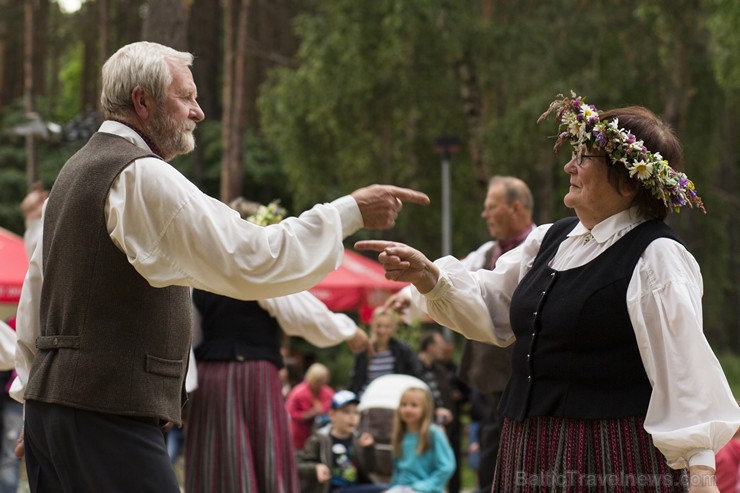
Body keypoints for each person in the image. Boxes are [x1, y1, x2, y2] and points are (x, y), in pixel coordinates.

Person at [10, 40, 428, 493]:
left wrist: (33, 402)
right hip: (106, 413)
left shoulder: (73, 174)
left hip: (58, 412)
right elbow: (252, 257)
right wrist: (350, 212)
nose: (198, 111)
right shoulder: (141, 175)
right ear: (142, 101)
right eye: (186, 96)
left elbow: (37, 303)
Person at [358, 93, 740, 492]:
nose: (569, 165)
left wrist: (700, 471)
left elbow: (683, 369)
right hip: (527, 445)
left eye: (585, 158)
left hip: (610, 454)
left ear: (627, 182)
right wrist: (428, 276)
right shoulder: (551, 240)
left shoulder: (656, 256)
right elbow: (492, 307)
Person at [185, 198, 369, 493]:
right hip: (252, 376)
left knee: (218, 461)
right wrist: (348, 331)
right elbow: (301, 312)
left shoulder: (200, 272)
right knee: (263, 458)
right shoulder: (257, 265)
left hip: (210, 380)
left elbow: (189, 335)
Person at [385, 175, 535, 492]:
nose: (484, 215)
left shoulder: (540, 248)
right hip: (484, 374)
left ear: (516, 208)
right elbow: (447, 281)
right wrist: (411, 298)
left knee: (516, 445)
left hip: (521, 372)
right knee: (491, 444)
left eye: (491, 207)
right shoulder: (484, 253)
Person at [297, 390, 386, 493]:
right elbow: (299, 465)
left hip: (355, 487)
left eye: (356, 413)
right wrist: (315, 468)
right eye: (346, 412)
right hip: (332, 489)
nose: (352, 417)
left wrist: (369, 448)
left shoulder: (358, 439)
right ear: (332, 415)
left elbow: (371, 468)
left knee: (387, 489)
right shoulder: (319, 439)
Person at [385, 386, 455, 493]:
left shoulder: (433, 433)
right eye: (404, 405)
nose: (408, 409)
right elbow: (398, 470)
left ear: (425, 408)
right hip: (402, 488)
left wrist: (425, 486)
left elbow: (447, 466)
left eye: (414, 405)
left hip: (425, 489)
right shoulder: (399, 436)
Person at [347, 308, 423, 398]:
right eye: (379, 326)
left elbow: (414, 374)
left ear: (393, 328)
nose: (382, 331)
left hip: (394, 397)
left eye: (387, 326)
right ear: (373, 326)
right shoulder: (364, 351)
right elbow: (356, 380)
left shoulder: (402, 350)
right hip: (367, 397)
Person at [286, 363, 337, 452]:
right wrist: (309, 414)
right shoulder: (298, 393)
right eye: (317, 381)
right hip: (300, 435)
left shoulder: (328, 393)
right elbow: (290, 413)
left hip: (322, 435)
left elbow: (334, 409)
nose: (319, 384)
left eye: (322, 381)